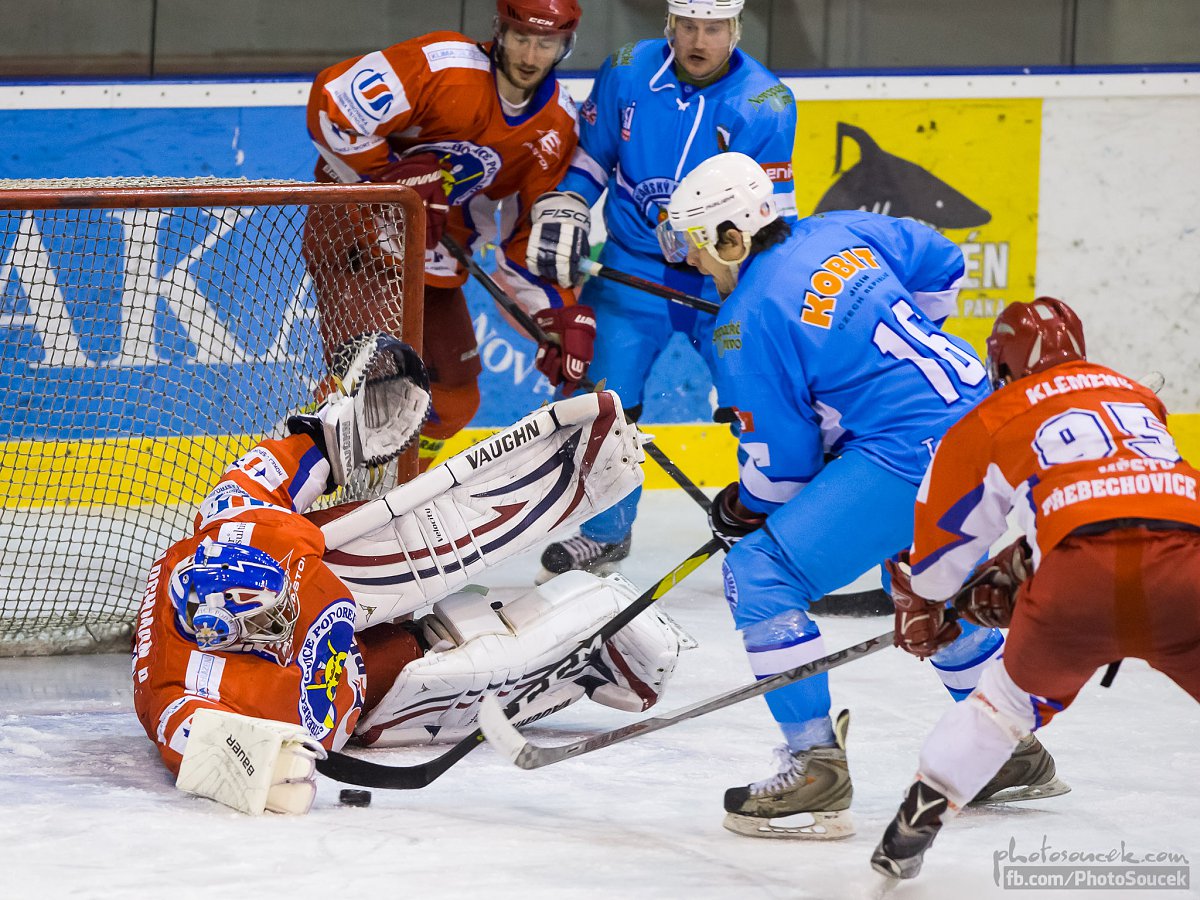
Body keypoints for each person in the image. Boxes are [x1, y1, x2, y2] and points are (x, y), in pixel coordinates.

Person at [657, 152, 1066, 839]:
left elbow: (784, 474)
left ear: (731, 236)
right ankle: (1005, 747)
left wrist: (739, 510)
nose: (693, 261)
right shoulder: (837, 229)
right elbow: (942, 261)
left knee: (759, 572)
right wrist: (881, 376)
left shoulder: (742, 321)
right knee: (916, 572)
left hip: (910, 453)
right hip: (981, 418)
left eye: (697, 244)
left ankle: (813, 766)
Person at [132, 334, 684, 815]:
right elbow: (190, 737)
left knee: (391, 534)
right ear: (220, 633)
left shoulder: (247, 526)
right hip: (351, 686)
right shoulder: (183, 686)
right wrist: (259, 765)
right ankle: (589, 658)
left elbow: (288, 459)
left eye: (278, 608)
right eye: (266, 624)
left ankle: (563, 472)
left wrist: (340, 431)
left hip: (337, 583)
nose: (283, 621)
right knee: (465, 654)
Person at [871, 298, 1200, 879]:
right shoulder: (1136, 396)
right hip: (1188, 567)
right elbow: (1133, 494)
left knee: (1000, 710)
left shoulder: (992, 417)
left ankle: (913, 824)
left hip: (1079, 583)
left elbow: (938, 565)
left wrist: (934, 602)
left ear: (1003, 365)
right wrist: (1028, 558)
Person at [526, 0, 798, 579]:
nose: (699, 41)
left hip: (721, 281)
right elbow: (594, 157)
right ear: (670, 24)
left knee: (763, 407)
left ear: (736, 29)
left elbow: (771, 217)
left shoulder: (765, 103)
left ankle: (775, 534)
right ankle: (605, 532)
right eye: (688, 26)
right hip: (632, 273)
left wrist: (755, 292)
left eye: (714, 28)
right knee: (602, 404)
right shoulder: (627, 69)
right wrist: (571, 200)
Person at [304, 0, 596, 473]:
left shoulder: (556, 125)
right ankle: (289, 480)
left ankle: (396, 490)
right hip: (357, 229)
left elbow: (524, 237)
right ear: (500, 31)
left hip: (434, 253)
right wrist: (392, 178)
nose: (529, 55)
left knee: (452, 400)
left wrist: (556, 315)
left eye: (546, 44)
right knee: (369, 380)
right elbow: (333, 105)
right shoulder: (444, 64)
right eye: (521, 38)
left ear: (566, 45)